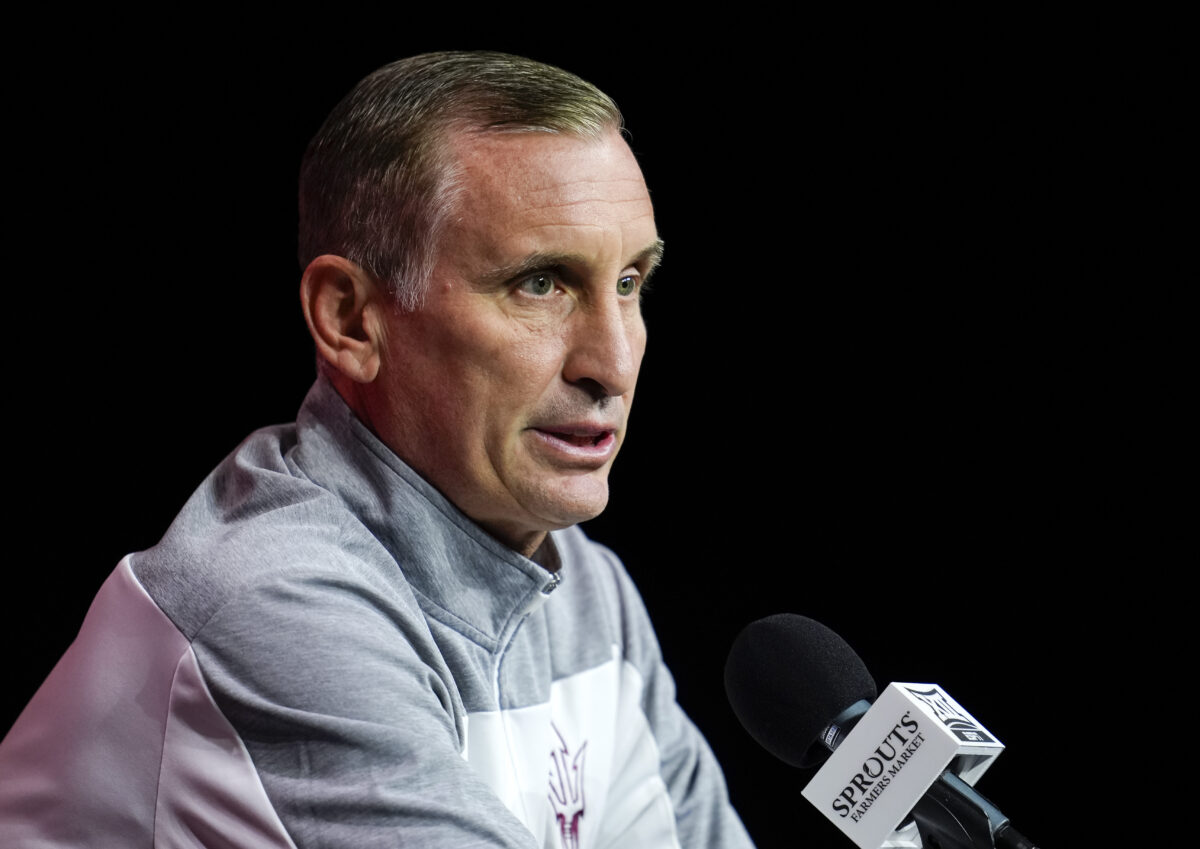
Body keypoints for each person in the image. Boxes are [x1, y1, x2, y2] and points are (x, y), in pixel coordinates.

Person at [0, 51, 754, 848]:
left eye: (631, 283)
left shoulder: (587, 591)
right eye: (542, 283)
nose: (613, 361)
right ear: (352, 319)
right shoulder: (272, 601)